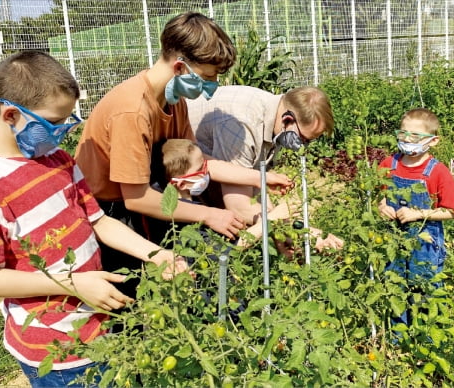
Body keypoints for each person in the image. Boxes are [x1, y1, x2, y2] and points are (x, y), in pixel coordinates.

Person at [0, 51, 188, 388]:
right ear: (10, 114)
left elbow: (99, 221)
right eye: (52, 123)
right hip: (55, 348)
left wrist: (157, 253)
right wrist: (75, 284)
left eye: (67, 121)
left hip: (98, 327)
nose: (61, 133)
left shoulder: (57, 160)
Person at [74, 12, 292, 298]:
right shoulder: (132, 111)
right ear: (179, 67)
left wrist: (261, 177)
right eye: (207, 77)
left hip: (154, 198)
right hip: (110, 214)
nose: (211, 88)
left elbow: (199, 163)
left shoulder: (173, 101)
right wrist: (209, 214)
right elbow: (136, 197)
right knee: (129, 299)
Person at [155, 139, 343, 252]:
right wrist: (273, 217)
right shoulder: (182, 218)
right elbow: (229, 250)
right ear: (180, 183)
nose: (208, 170)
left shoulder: (196, 201)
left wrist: (305, 231)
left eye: (206, 164)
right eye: (200, 168)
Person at [186, 85, 334, 225]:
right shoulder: (242, 126)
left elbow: (253, 184)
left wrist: (277, 229)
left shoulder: (277, 117)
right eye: (302, 139)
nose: (302, 147)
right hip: (175, 177)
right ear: (287, 120)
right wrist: (300, 232)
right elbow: (238, 206)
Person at [377, 107, 454, 326]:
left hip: (425, 241)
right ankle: (398, 338)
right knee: (393, 283)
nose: (407, 140)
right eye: (403, 134)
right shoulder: (389, 164)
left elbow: (453, 211)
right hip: (393, 239)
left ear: (433, 140)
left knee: (424, 285)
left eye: (415, 136)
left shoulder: (437, 171)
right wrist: (381, 206)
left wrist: (418, 214)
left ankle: (426, 337)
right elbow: (380, 194)